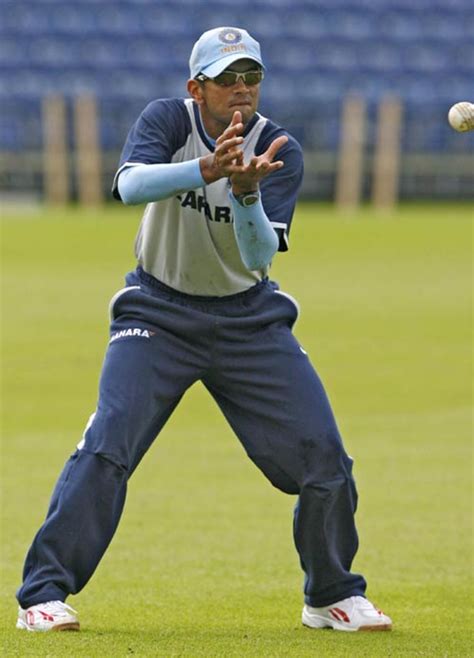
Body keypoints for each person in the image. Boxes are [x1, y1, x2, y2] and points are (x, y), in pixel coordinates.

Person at [16, 26, 392, 633]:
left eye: (251, 78)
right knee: (109, 445)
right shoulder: (168, 119)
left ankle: (329, 594)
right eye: (226, 80)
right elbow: (129, 185)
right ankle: (43, 595)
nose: (240, 91)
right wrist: (204, 169)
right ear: (198, 87)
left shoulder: (279, 150)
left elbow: (256, 258)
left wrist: (244, 193)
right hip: (157, 312)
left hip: (250, 321)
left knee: (325, 458)